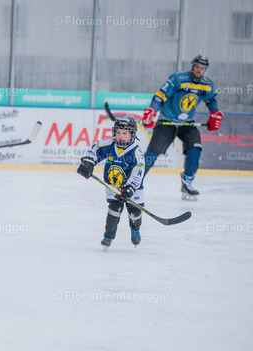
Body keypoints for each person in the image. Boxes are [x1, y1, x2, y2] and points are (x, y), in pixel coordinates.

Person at [141, 55, 222, 200]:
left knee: (195, 150)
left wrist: (214, 113)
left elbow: (211, 100)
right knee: (153, 153)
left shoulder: (207, 84)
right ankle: (135, 181)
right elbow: (160, 96)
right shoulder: (178, 79)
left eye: (202, 68)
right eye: (197, 67)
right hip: (167, 122)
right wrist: (152, 110)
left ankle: (187, 182)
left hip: (187, 124)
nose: (199, 70)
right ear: (192, 66)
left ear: (205, 70)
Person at [77, 116, 145, 249]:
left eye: (125, 133)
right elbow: (96, 148)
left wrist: (130, 188)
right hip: (113, 186)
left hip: (134, 189)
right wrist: (88, 162)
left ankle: (135, 229)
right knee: (114, 210)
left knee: (134, 212)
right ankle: (108, 236)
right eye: (118, 132)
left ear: (132, 135)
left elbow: (138, 171)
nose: (120, 136)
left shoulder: (136, 152)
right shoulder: (108, 145)